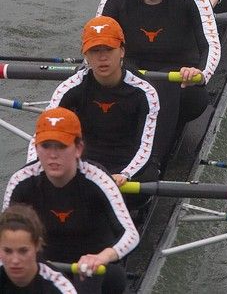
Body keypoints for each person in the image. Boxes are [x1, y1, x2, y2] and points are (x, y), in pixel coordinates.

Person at [97, 0, 221, 170]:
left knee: (165, 85)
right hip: (135, 81)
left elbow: (211, 45)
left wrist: (200, 72)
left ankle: (151, 163)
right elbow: (97, 41)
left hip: (183, 88)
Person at [3, 108, 139, 294]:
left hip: (90, 268)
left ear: (78, 148)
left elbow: (131, 235)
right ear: (36, 148)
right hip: (41, 266)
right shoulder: (21, 181)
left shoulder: (97, 179)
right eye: (46, 146)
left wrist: (101, 258)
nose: (53, 155)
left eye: (61, 146)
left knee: (113, 276)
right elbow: (5, 236)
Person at [28, 17, 159, 189]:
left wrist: (125, 174)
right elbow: (41, 134)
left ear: (122, 51)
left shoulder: (144, 92)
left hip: (129, 168)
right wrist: (32, 172)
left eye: (108, 49)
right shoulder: (70, 88)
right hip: (86, 166)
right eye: (95, 50)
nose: (102, 57)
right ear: (86, 55)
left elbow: (145, 147)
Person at [0, 203, 77, 293]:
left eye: (23, 251)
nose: (15, 260)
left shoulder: (60, 288)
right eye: (7, 251)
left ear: (37, 245)